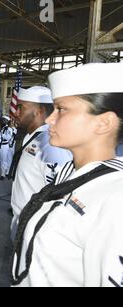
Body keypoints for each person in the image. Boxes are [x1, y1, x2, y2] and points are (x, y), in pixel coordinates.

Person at [10, 62, 123, 287]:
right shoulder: (70, 172)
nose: (50, 119)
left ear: (104, 123)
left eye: (61, 109)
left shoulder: (115, 199)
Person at [9, 86, 72, 241]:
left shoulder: (50, 145)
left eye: (20, 108)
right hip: (23, 223)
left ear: (39, 111)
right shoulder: (34, 138)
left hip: (36, 230)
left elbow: (59, 194)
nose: (15, 113)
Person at [0, 115, 13, 180]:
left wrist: (1, 134)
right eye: (2, 120)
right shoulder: (1, 128)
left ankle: (3, 174)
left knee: (4, 160)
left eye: (4, 120)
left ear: (7, 121)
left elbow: (8, 137)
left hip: (4, 146)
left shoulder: (9, 129)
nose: (2, 121)